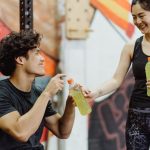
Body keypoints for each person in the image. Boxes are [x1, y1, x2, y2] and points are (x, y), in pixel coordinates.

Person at [86, 0, 150, 149]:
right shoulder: (131, 47)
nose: (137, 21)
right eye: (134, 17)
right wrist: (96, 92)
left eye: (141, 15)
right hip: (137, 116)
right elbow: (116, 80)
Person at [0, 30, 75, 150]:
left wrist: (71, 103)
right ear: (20, 60)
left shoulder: (38, 94)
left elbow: (62, 131)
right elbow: (21, 133)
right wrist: (47, 93)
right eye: (37, 53)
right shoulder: (2, 92)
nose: (42, 59)